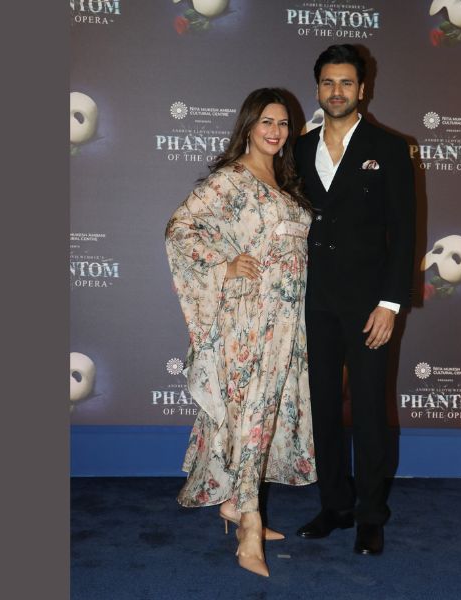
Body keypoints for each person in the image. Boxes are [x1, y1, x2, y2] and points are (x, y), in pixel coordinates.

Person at [165, 88, 317, 577]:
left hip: (288, 321)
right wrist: (224, 264)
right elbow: (179, 229)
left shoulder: (285, 181)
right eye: (266, 121)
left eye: (283, 123)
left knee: (263, 414)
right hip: (249, 319)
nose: (276, 131)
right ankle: (250, 525)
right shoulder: (230, 179)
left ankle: (236, 502)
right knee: (252, 414)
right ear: (248, 125)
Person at [294, 45, 416, 555]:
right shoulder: (299, 148)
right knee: (322, 406)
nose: (336, 91)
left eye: (346, 82)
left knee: (367, 408)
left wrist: (390, 304)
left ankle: (370, 514)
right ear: (318, 88)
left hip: (369, 305)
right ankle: (335, 506)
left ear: (362, 89)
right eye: (328, 82)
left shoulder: (390, 147)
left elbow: (404, 232)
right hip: (313, 300)